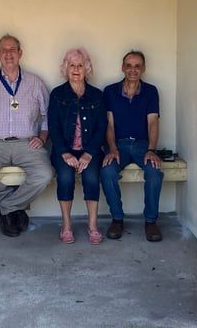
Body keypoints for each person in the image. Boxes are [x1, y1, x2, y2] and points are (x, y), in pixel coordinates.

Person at [0, 34, 54, 237]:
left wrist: (41, 138)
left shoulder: (34, 82)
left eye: (12, 49)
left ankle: (6, 208)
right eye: (4, 50)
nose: (8, 54)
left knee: (45, 175)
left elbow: (47, 114)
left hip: (27, 143)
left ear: (20, 53)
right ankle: (15, 209)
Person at [101, 50, 165, 242]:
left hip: (142, 145)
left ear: (143, 69)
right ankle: (117, 219)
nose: (132, 70)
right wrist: (112, 148)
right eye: (128, 66)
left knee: (154, 171)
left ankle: (151, 221)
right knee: (106, 171)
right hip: (118, 145)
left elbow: (153, 122)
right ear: (122, 68)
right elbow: (109, 124)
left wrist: (151, 150)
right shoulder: (110, 91)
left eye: (137, 66)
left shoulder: (151, 91)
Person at [48, 48, 107, 245]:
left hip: (90, 150)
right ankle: (66, 225)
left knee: (91, 177)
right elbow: (53, 128)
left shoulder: (96, 95)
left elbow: (101, 128)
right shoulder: (57, 94)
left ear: (86, 69)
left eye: (80, 65)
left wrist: (89, 154)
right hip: (64, 151)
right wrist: (65, 153)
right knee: (65, 177)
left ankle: (93, 226)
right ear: (66, 69)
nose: (76, 69)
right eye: (72, 65)